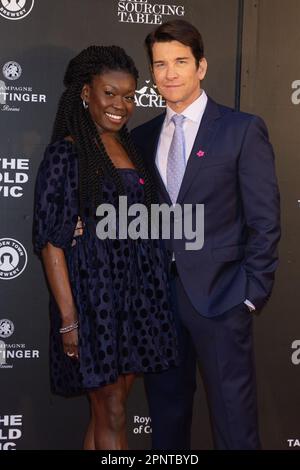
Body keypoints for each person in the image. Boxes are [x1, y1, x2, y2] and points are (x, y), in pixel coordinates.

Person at [131, 19, 281, 450]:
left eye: (180, 61)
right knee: (166, 421)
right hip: (159, 305)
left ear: (201, 66)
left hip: (222, 299)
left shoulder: (240, 129)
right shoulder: (140, 138)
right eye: (160, 65)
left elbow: (265, 219)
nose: (169, 73)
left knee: (234, 424)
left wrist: (251, 291)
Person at [33, 45, 177, 450]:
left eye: (129, 96)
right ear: (86, 93)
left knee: (109, 409)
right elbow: (50, 243)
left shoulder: (130, 148)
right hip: (94, 300)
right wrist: (69, 320)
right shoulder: (66, 152)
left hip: (136, 299)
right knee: (111, 409)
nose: (121, 105)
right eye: (109, 93)